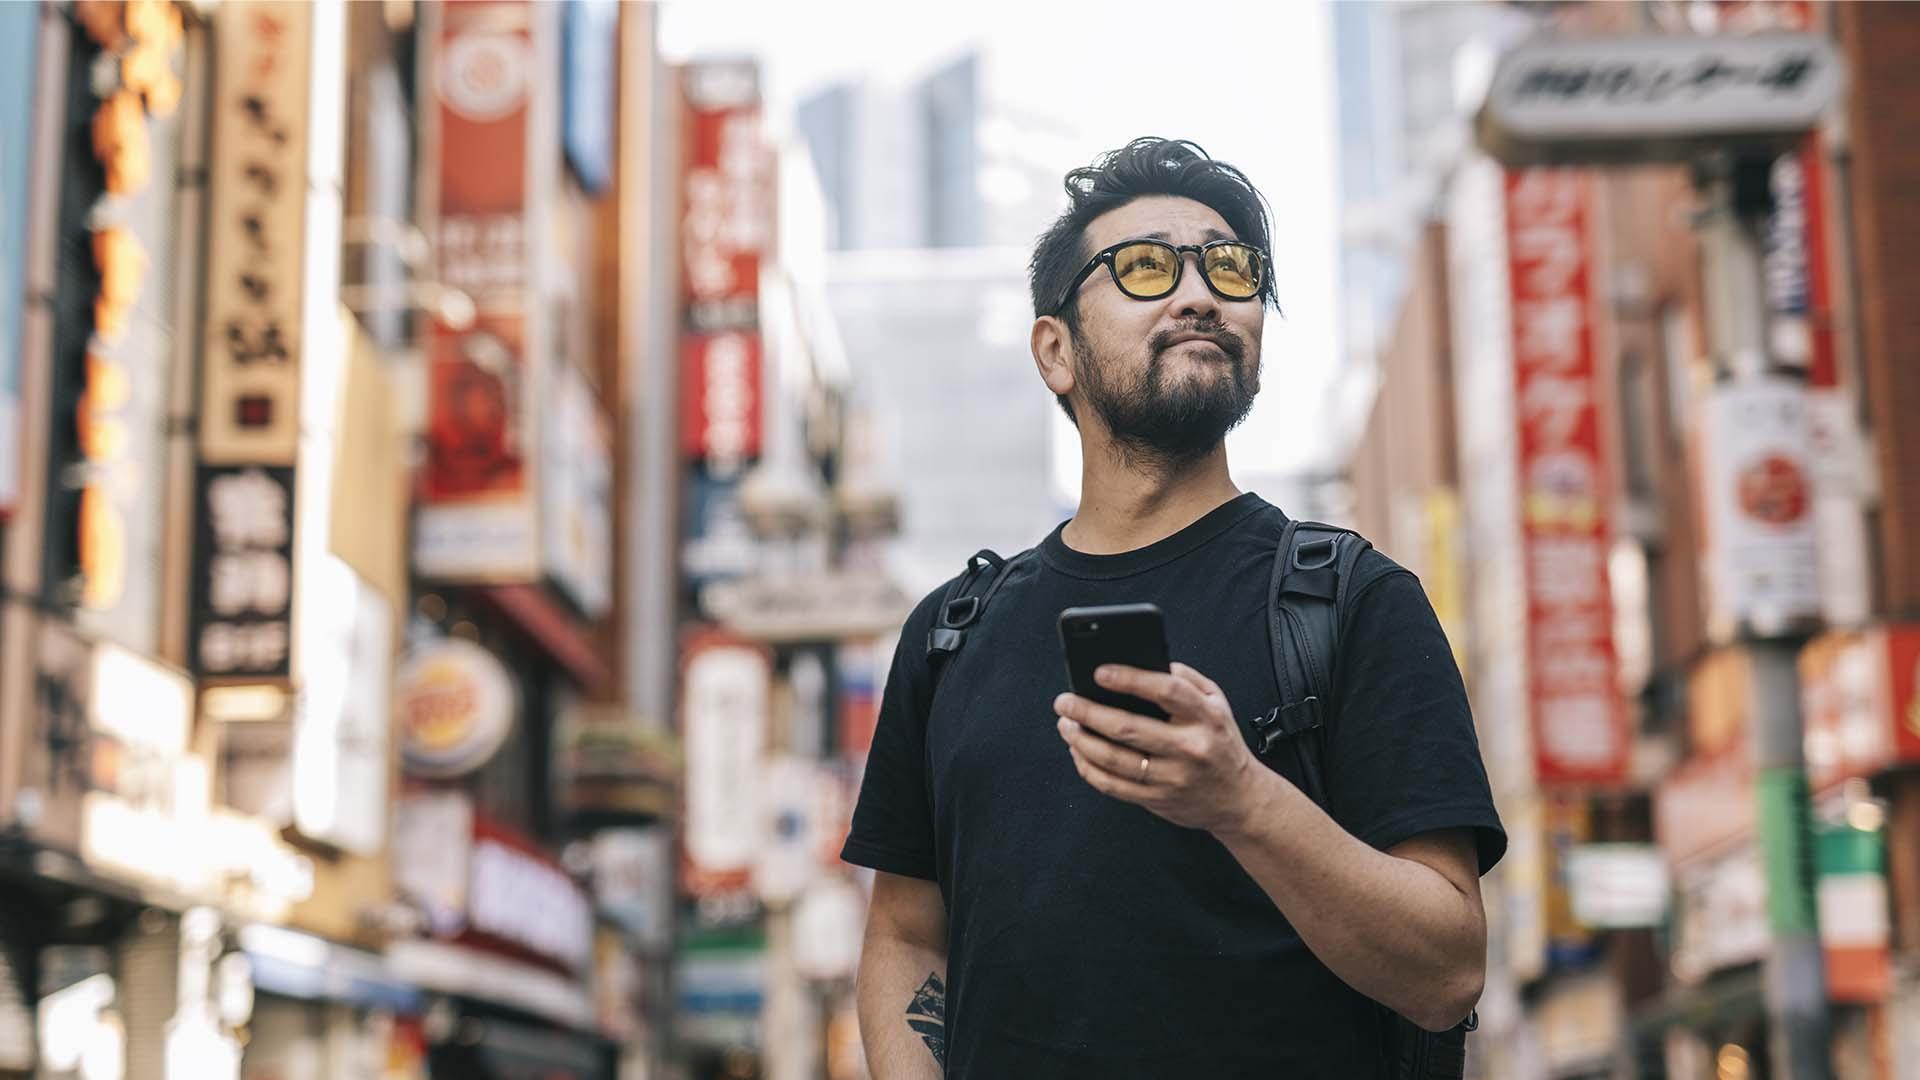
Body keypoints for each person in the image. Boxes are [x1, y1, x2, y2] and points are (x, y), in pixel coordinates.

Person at [842, 137, 1506, 1078]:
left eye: (1231, 269)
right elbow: (907, 934)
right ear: (1055, 350)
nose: (1200, 293)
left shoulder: (1354, 603)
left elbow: (1447, 970)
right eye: (1145, 267)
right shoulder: (953, 633)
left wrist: (1242, 800)